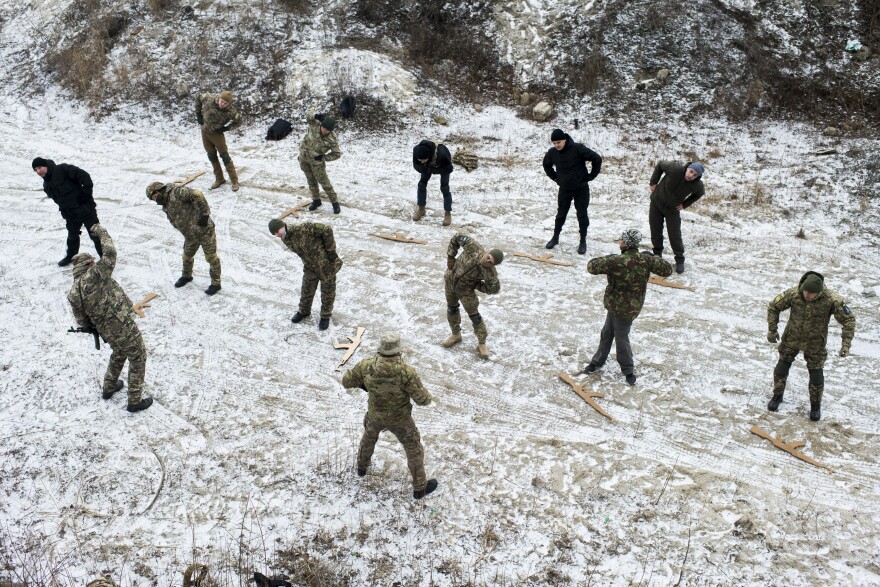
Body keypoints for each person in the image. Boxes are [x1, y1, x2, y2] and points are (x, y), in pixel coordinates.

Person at [342, 330, 438, 499]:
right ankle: (419, 487)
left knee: (368, 438)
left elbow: (347, 381)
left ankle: (362, 467)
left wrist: (367, 386)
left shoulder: (366, 365)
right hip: (400, 419)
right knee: (413, 448)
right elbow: (423, 400)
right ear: (398, 350)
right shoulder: (406, 372)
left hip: (375, 414)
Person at [67, 224, 152, 412]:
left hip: (105, 329)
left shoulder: (73, 293)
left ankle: (108, 387)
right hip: (122, 323)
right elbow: (110, 252)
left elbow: (81, 322)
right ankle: (134, 400)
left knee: (119, 352)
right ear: (89, 264)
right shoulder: (95, 274)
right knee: (138, 356)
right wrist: (101, 232)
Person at [583, 229, 672, 385]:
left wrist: (608, 258)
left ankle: (628, 370)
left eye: (621, 241)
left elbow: (591, 266)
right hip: (625, 307)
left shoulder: (616, 261)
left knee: (621, 339)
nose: (619, 243)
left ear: (627, 244)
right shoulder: (645, 260)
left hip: (621, 309)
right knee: (607, 333)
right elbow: (667, 270)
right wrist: (653, 257)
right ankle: (597, 362)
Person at [766, 271, 855, 421]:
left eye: (811, 293)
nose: (807, 295)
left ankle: (815, 406)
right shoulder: (794, 293)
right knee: (781, 368)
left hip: (815, 343)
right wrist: (772, 329)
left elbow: (849, 320)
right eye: (805, 291)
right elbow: (773, 306)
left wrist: (846, 344)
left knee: (816, 375)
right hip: (792, 338)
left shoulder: (831, 300)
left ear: (819, 292)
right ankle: (777, 396)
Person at [146, 182, 222, 295]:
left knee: (211, 258)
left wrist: (205, 215)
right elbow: (173, 219)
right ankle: (186, 276)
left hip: (205, 231)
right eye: (153, 200)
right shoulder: (165, 204)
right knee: (186, 257)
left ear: (159, 190)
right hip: (190, 236)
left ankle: (216, 283)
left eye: (155, 197)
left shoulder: (177, 192)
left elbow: (197, 194)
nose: (156, 201)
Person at [268, 218, 342, 331]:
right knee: (306, 290)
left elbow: (327, 230)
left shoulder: (303, 228)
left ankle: (325, 316)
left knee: (328, 292)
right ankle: (304, 311)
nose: (277, 235)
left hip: (326, 266)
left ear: (283, 225)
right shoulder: (285, 238)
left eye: (277, 231)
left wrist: (331, 251)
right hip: (309, 267)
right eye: (275, 234)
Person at [442, 233, 503, 359]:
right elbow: (457, 237)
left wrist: (477, 285)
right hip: (450, 283)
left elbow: (494, 288)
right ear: (487, 252)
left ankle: (482, 343)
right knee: (451, 309)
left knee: (474, 317)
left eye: (491, 262)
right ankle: (455, 335)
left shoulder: (490, 273)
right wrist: (451, 256)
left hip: (466, 292)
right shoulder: (473, 246)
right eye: (489, 257)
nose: (488, 261)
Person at [32, 157, 103, 266]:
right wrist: (64, 211)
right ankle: (71, 256)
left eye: (39, 168)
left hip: (84, 208)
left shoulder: (62, 169)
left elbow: (84, 175)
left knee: (95, 233)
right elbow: (58, 200)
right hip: (70, 214)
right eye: (35, 170)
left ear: (45, 165)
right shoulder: (46, 185)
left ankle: (105, 257)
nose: (38, 171)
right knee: (72, 235)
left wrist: (86, 194)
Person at [542, 128, 602, 254]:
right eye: (554, 143)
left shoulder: (577, 148)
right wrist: (555, 178)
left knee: (582, 215)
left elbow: (597, 158)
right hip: (565, 189)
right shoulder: (552, 153)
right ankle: (555, 237)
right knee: (560, 214)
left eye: (558, 142)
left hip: (581, 189)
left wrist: (591, 176)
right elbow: (546, 165)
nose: (556, 145)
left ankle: (582, 241)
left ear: (564, 140)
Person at [648, 161, 705, 274]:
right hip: (657, 203)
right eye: (691, 171)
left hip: (672, 210)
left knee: (674, 235)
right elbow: (659, 165)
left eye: (695, 175)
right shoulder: (674, 169)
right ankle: (657, 255)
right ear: (688, 168)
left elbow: (699, 194)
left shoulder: (697, 185)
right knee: (655, 230)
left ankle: (679, 260)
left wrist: (684, 204)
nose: (691, 176)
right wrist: (653, 182)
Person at [195, 90, 242, 191]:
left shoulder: (230, 111)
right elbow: (198, 97)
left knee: (224, 156)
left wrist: (226, 128)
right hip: (204, 132)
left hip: (217, 135)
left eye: (225, 103)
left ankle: (234, 181)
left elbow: (239, 121)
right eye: (222, 101)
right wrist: (198, 114)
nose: (222, 104)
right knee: (211, 155)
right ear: (219, 98)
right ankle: (219, 179)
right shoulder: (209, 99)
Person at [298, 107, 342, 214]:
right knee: (311, 180)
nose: (324, 130)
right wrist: (316, 116)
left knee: (325, 183)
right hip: (304, 158)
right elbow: (308, 114)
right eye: (323, 127)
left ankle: (335, 203)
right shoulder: (315, 124)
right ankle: (316, 200)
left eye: (327, 130)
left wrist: (323, 158)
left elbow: (337, 154)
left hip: (317, 163)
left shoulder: (332, 139)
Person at [412, 139, 454, 226]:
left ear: (429, 156)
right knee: (421, 185)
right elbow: (415, 165)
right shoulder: (416, 151)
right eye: (420, 160)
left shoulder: (443, 154)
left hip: (442, 166)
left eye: (423, 160)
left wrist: (433, 169)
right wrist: (421, 168)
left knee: (444, 188)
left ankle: (447, 214)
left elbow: (449, 169)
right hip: (428, 166)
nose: (421, 161)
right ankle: (421, 209)